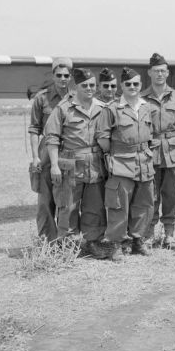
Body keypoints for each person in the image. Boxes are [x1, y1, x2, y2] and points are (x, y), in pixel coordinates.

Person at [44, 68, 108, 257]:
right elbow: (52, 138)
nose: (89, 89)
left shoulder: (102, 108)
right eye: (85, 85)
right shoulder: (63, 108)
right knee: (68, 206)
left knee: (94, 205)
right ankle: (68, 245)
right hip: (69, 162)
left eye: (92, 85)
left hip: (95, 162)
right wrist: (54, 165)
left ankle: (93, 242)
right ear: (76, 87)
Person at [96, 67, 157, 262]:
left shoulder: (147, 107)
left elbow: (151, 135)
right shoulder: (112, 109)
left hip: (144, 162)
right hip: (121, 162)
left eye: (136, 84)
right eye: (128, 84)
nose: (132, 87)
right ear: (121, 86)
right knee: (119, 206)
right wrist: (114, 155)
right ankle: (116, 244)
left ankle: (138, 240)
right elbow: (103, 138)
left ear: (141, 85)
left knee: (144, 203)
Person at [141, 53, 175, 250]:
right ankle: (149, 234)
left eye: (163, 71)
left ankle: (169, 235)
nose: (159, 74)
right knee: (150, 195)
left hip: (172, 152)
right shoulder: (142, 98)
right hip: (150, 151)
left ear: (168, 73)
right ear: (149, 73)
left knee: (172, 195)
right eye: (156, 71)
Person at [28, 57, 73, 242]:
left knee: (67, 199)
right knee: (45, 200)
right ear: (53, 76)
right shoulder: (42, 98)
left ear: (70, 77)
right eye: (59, 75)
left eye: (66, 75)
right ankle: (48, 241)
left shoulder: (75, 97)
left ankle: (65, 239)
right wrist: (35, 157)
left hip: (68, 151)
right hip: (46, 153)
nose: (63, 78)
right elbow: (34, 129)